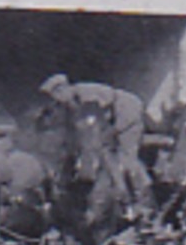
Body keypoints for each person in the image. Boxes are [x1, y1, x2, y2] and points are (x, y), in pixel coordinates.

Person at [38, 73, 152, 217]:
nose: (56, 101)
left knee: (127, 158)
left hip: (126, 112)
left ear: (62, 90)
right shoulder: (71, 102)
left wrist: (100, 141)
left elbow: (92, 124)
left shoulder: (88, 95)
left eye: (55, 96)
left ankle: (142, 201)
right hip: (109, 118)